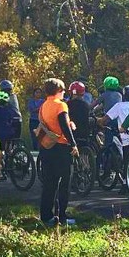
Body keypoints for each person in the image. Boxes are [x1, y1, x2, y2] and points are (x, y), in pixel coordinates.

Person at [36, 78, 79, 226]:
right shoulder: (61, 105)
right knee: (64, 183)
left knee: (49, 183)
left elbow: (50, 124)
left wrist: (69, 123)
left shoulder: (43, 106)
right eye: (63, 90)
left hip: (46, 147)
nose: (64, 93)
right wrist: (73, 144)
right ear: (58, 91)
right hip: (61, 147)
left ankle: (46, 215)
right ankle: (62, 216)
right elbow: (63, 126)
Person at [98, 85, 129, 170]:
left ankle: (124, 175)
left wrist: (99, 122)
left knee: (124, 154)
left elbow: (106, 118)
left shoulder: (119, 106)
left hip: (125, 136)